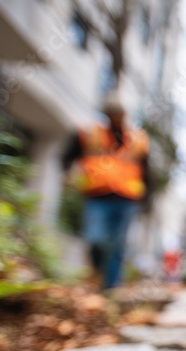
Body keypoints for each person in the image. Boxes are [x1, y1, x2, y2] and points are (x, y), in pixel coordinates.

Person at [62, 91, 150, 290]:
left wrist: (146, 199)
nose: (116, 117)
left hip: (127, 198)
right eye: (112, 113)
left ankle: (112, 287)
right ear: (107, 114)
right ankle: (98, 271)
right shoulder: (90, 134)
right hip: (97, 196)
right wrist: (67, 173)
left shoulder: (137, 138)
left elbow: (147, 170)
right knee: (96, 238)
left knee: (118, 244)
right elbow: (68, 156)